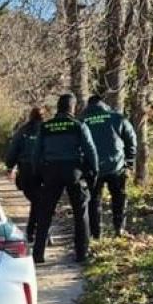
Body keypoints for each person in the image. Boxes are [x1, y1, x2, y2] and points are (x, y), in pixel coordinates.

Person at [29, 94, 97, 264]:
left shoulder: (46, 127)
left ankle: (38, 253)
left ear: (58, 107)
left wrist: (37, 173)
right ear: (73, 108)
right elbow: (90, 150)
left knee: (45, 213)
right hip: (74, 171)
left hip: (51, 171)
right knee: (80, 212)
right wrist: (94, 172)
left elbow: (36, 153)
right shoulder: (78, 125)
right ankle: (82, 253)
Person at [79, 92, 139, 239]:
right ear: (103, 104)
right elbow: (131, 140)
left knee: (94, 200)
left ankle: (95, 233)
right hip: (116, 166)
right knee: (119, 198)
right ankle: (119, 228)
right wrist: (129, 162)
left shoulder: (82, 120)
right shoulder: (117, 117)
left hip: (93, 168)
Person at [4, 106, 47, 244]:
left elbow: (13, 151)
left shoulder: (22, 131)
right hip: (44, 169)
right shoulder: (47, 129)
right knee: (39, 201)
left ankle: (33, 232)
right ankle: (38, 232)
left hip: (26, 171)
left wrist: (10, 167)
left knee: (37, 201)